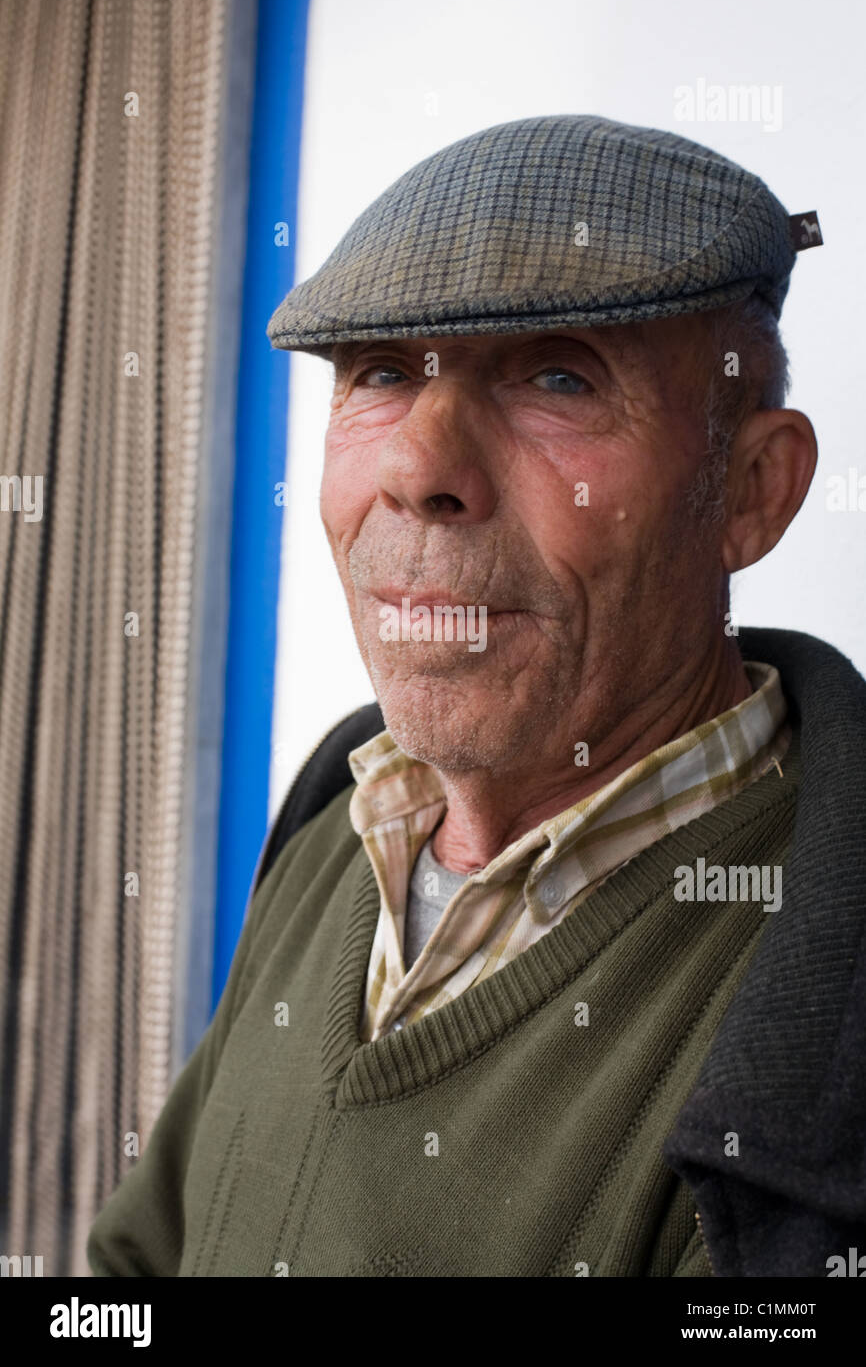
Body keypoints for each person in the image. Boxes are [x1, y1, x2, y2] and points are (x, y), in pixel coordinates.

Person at [88, 114, 866, 1277]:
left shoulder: (819, 1012)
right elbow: (142, 1260)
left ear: (750, 490)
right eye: (381, 375)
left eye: (557, 376)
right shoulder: (337, 831)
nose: (416, 469)